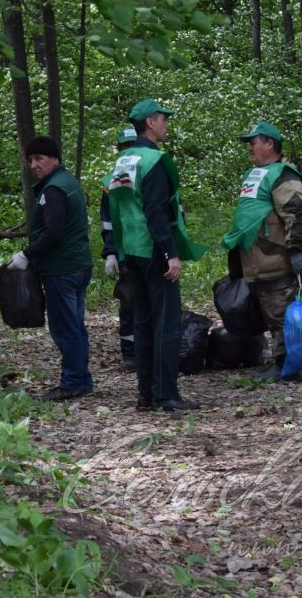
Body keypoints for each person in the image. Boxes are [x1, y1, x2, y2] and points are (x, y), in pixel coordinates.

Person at [107, 99, 207, 411]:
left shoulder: (123, 160)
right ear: (150, 122)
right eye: (164, 119)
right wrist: (170, 253)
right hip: (152, 249)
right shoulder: (154, 160)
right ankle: (166, 393)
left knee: (143, 322)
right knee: (167, 323)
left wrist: (117, 252)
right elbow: (156, 211)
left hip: (131, 251)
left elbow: (115, 208)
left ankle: (145, 396)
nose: (166, 125)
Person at [221, 121, 302, 381]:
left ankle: (288, 365)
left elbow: (296, 213)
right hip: (258, 259)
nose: (249, 148)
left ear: (269, 143)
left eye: (253, 142)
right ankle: (280, 360)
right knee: (269, 311)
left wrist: (296, 251)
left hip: (276, 257)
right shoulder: (257, 173)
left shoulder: (283, 174)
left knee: (281, 312)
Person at [7, 136, 94, 401]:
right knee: (75, 325)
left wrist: (26, 254)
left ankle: (73, 382)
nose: (33, 165)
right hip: (77, 265)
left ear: (54, 159)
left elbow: (54, 233)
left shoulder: (54, 190)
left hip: (62, 269)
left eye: (39, 159)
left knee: (66, 327)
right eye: (30, 160)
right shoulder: (67, 183)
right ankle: (81, 378)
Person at [100, 126, 138, 371]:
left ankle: (153, 349)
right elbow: (108, 220)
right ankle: (130, 354)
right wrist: (110, 252)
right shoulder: (110, 183)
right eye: (125, 146)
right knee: (129, 303)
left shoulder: (152, 173)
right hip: (126, 254)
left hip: (150, 251)